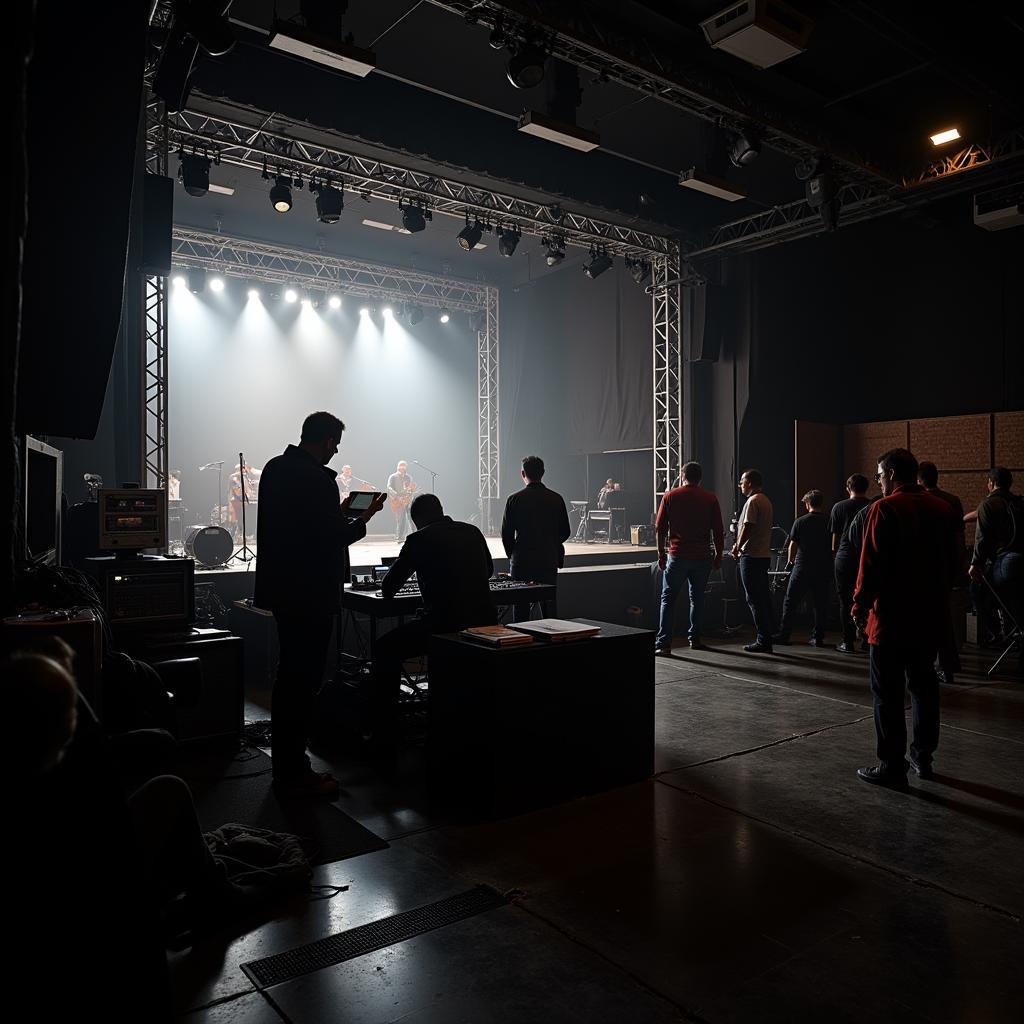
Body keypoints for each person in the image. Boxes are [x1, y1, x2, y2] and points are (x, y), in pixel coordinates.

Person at [254, 412, 385, 798]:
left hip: (283, 590)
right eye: (336, 443)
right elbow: (329, 538)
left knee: (288, 677)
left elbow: (303, 525)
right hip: (311, 593)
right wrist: (363, 518)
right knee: (304, 682)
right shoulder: (315, 479)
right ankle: (295, 772)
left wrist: (338, 511)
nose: (337, 450)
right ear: (328, 441)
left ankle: (286, 766)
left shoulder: (277, 469)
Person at [852, 448, 960, 787]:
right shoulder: (943, 509)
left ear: (893, 474)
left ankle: (891, 765)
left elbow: (869, 566)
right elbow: (955, 564)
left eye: (882, 476)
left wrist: (858, 607)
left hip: (891, 618)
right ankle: (923, 757)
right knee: (925, 687)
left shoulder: (883, 509)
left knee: (887, 693)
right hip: (930, 617)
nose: (880, 482)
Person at [373, 494, 497, 739]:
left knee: (384, 649)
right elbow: (489, 570)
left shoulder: (418, 538)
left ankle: (384, 728)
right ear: (441, 510)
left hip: (444, 625)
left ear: (416, 519)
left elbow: (388, 588)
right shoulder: (472, 531)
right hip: (485, 624)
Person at [654, 461, 724, 654]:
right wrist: (719, 555)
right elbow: (718, 530)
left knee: (668, 599)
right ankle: (695, 638)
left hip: (677, 555)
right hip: (702, 557)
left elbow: (660, 528)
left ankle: (664, 643)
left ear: (682, 475)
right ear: (700, 477)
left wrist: (661, 553)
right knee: (697, 599)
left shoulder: (670, 496)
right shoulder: (710, 499)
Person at [501, 454, 571, 620]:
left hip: (522, 560)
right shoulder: (556, 499)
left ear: (523, 474)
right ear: (543, 472)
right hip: (548, 559)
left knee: (521, 610)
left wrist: (513, 554)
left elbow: (506, 533)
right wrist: (549, 544)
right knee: (549, 608)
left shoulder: (514, 499)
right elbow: (565, 531)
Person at [918, 461, 967, 682]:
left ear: (919, 479)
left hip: (925, 566)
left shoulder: (920, 502)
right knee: (945, 617)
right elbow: (959, 538)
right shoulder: (953, 501)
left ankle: (934, 664)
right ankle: (949, 665)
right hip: (948, 566)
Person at [969, 467, 1023, 651]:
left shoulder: (989, 504)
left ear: (991, 483)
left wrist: (975, 564)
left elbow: (981, 539)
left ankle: (997, 634)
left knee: (977, 590)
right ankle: (1014, 633)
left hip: (1006, 562)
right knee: (1014, 601)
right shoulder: (1018, 502)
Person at [774, 490, 833, 647]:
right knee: (820, 604)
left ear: (808, 504)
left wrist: (790, 562)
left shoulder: (800, 521)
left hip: (802, 566)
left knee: (790, 601)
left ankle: (784, 634)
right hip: (823, 567)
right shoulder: (829, 520)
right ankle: (818, 637)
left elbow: (793, 545)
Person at [732, 468, 776, 654]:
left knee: (754, 599)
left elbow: (748, 526)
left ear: (749, 483)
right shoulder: (765, 500)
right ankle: (768, 634)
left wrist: (737, 547)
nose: (740, 485)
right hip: (763, 555)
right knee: (763, 597)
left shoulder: (752, 501)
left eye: (742, 481)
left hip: (751, 556)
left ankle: (763, 639)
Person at [829, 474, 872, 654]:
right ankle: (867, 640)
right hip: (866, 557)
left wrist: (835, 555)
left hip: (845, 557)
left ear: (848, 488)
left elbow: (835, 539)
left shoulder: (839, 507)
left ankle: (847, 641)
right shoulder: (872, 506)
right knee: (868, 598)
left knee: (845, 600)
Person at [229, 460, 261, 541]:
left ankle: (250, 534)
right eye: (241, 470)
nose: (244, 471)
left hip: (244, 502)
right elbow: (238, 492)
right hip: (237, 503)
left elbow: (249, 490)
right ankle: (240, 535)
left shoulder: (245, 478)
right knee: (240, 520)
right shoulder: (234, 478)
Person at [386, 460, 417, 542]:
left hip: (407, 500)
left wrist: (409, 494)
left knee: (411, 517)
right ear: (397, 467)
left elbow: (410, 487)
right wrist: (396, 495)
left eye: (404, 465)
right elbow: (389, 487)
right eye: (400, 465)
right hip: (398, 500)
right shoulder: (393, 476)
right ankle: (399, 537)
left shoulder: (408, 477)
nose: (402, 467)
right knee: (401, 519)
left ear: (406, 467)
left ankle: (415, 534)